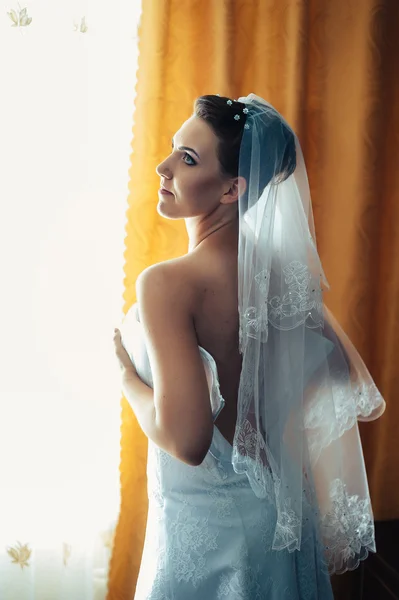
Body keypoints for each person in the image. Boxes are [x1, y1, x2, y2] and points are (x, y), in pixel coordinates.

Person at [113, 93, 386, 599]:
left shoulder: (167, 284)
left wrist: (126, 377)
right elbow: (343, 371)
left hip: (206, 536)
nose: (163, 166)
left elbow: (189, 443)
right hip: (276, 524)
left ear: (232, 189)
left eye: (188, 159)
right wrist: (264, 421)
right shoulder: (280, 278)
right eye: (175, 149)